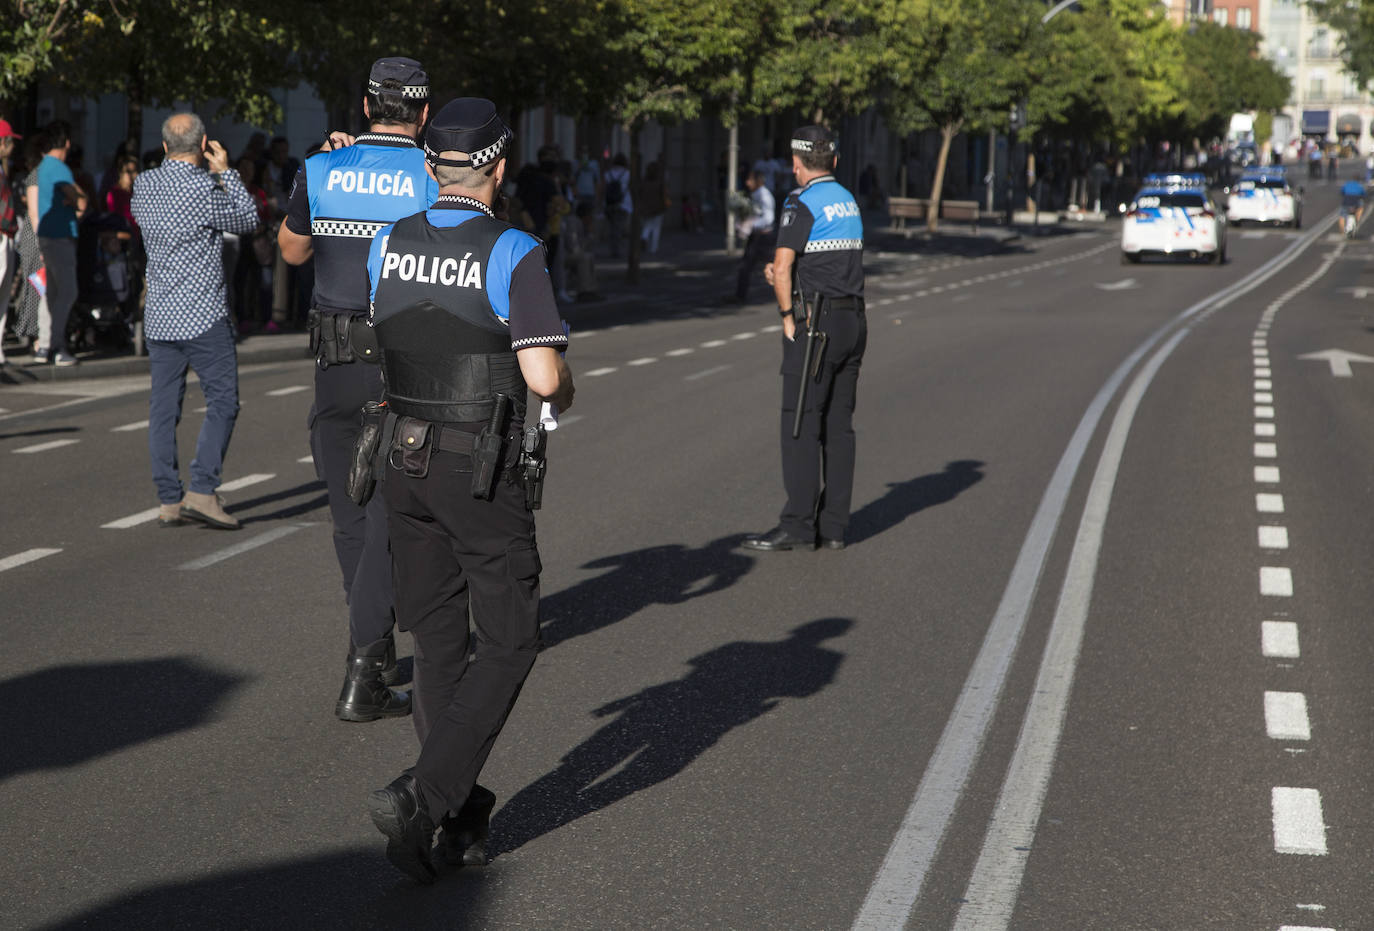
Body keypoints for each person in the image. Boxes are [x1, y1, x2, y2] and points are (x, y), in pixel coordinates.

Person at [363, 97, 574, 884]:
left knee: (440, 642)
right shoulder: (514, 249)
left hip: (400, 456)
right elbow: (544, 377)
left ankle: (451, 814)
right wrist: (568, 384)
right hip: (475, 466)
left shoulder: (388, 242)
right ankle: (425, 796)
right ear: (497, 167)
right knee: (512, 636)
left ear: (430, 167)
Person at [278, 57, 439, 723]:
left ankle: (366, 642)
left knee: (347, 509)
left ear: (366, 104)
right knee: (389, 509)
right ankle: (366, 662)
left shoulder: (320, 167)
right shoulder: (431, 176)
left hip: (333, 360)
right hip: (401, 359)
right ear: (423, 113)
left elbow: (290, 251)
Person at [130, 112, 259, 530]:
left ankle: (169, 499)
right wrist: (227, 174)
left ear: (165, 146)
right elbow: (248, 221)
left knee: (163, 409)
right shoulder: (205, 187)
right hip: (203, 315)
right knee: (222, 401)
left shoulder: (144, 185)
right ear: (203, 146)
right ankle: (202, 491)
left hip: (161, 315)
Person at [744, 125, 866, 553]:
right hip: (853, 320)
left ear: (797, 165)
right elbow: (826, 261)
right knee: (838, 426)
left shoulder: (801, 201)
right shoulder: (848, 200)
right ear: (833, 161)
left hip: (817, 324)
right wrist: (786, 277)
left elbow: (782, 264)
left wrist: (785, 317)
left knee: (798, 423)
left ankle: (797, 524)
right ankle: (833, 527)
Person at [28, 120, 86, 366]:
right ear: (67, 143)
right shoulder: (60, 168)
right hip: (61, 236)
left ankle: (45, 346)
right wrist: (77, 200)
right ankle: (57, 345)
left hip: (46, 236)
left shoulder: (41, 168)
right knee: (68, 291)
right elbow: (78, 199)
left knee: (51, 293)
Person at [733, 169, 775, 303]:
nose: (747, 183)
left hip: (764, 238)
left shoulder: (765, 196)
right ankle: (740, 295)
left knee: (776, 265)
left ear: (759, 181)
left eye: (750, 180)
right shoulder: (752, 195)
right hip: (755, 237)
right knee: (745, 266)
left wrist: (751, 224)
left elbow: (769, 218)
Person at [0, 119, 20, 367]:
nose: (13, 146)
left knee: (4, 296)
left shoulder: (3, 169)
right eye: (10, 141)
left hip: (6, 235)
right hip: (2, 234)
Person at [603, 152, 631, 256]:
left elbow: (603, 188)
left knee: (612, 228)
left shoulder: (608, 173)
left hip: (609, 203)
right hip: (623, 203)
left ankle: (613, 249)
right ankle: (617, 250)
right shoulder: (627, 174)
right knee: (619, 228)